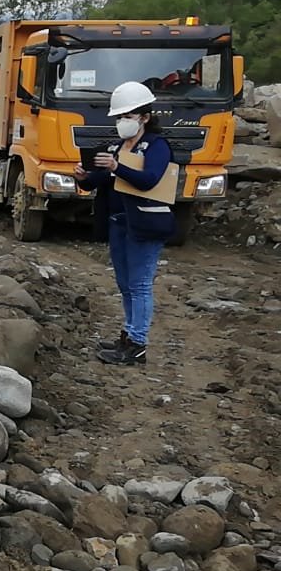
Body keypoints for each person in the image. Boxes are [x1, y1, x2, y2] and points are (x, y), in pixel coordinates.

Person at [74, 81, 175, 366]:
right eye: (120, 117)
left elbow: (150, 179)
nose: (122, 122)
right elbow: (102, 180)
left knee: (140, 284)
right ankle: (129, 335)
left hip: (145, 222)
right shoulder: (117, 145)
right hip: (119, 222)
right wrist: (83, 177)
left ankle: (137, 343)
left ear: (145, 117)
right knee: (125, 284)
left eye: (128, 116)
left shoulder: (157, 146)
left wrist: (118, 167)